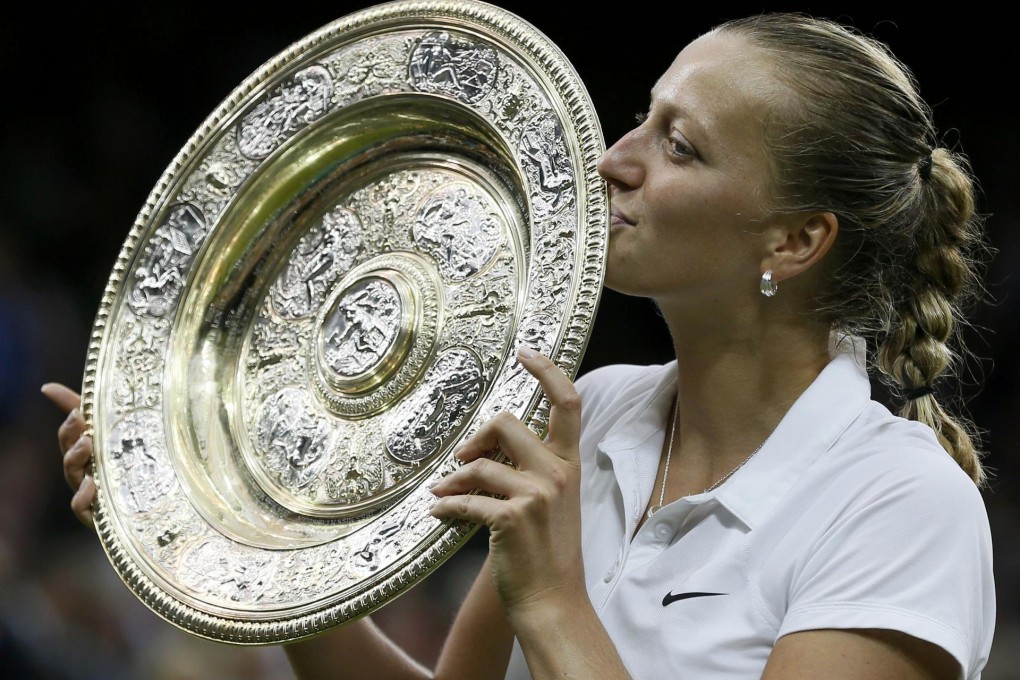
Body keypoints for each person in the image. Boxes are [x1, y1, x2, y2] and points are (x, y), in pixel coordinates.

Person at [44, 10, 995, 679]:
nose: (614, 159)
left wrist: (553, 601)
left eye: (680, 146)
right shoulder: (598, 407)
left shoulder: (903, 506)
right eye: (643, 117)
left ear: (794, 240)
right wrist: (250, 544)